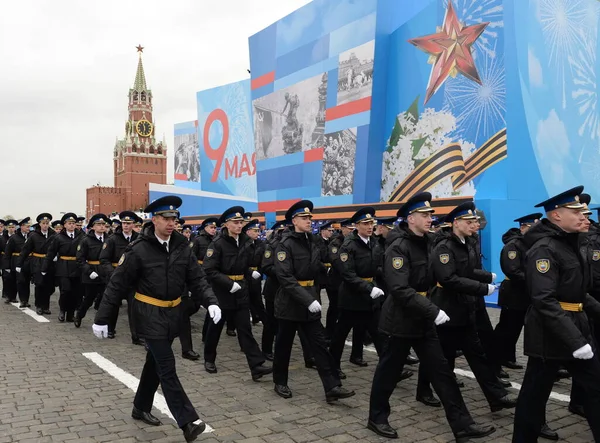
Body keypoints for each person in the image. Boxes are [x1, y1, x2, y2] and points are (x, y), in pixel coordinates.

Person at [368, 192, 496, 441]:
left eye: (430, 215)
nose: (430, 219)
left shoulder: (429, 242)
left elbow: (448, 272)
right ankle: (377, 417)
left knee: (442, 372)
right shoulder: (398, 247)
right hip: (401, 321)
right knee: (388, 373)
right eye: (425, 215)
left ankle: (462, 424)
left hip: (424, 319)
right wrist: (433, 310)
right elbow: (400, 289)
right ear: (410, 218)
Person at [93, 196, 220, 442]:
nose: (172, 223)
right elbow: (117, 284)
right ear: (154, 220)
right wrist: (102, 318)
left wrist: (211, 301)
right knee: (167, 366)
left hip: (173, 314)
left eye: (174, 218)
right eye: (166, 218)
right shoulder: (138, 249)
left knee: (154, 364)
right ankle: (188, 421)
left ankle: (140, 407)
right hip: (148, 315)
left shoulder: (182, 246)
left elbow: (197, 278)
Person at [512, 186, 600, 442]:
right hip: (549, 335)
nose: (584, 216)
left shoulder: (574, 243)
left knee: (595, 388)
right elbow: (544, 300)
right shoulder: (545, 249)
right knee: (533, 397)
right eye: (576, 212)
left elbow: (579, 293)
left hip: (575, 327)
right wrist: (575, 341)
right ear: (557, 215)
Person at [430, 201, 517, 411]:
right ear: (456, 223)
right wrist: (481, 288)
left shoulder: (467, 243)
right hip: (448, 309)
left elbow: (469, 270)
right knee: (443, 359)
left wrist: (488, 277)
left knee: (477, 356)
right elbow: (449, 278)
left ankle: (496, 397)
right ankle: (429, 392)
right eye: (469, 221)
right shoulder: (444, 247)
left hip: (465, 308)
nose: (474, 225)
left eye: (474, 221)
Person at [272, 200, 354, 403]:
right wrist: (308, 300)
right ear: (294, 221)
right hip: (291, 303)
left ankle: (332, 386)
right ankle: (280, 381)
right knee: (284, 346)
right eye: (304, 218)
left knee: (319, 346)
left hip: (311, 300)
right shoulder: (285, 245)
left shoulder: (313, 240)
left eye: (310, 217)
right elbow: (285, 278)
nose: (309, 221)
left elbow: (320, 264)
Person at [202, 206, 272, 379]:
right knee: (215, 328)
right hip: (222, 292)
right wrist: (228, 283)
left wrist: (250, 273)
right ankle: (209, 359)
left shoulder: (245, 242)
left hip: (241, 291)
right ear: (226, 224)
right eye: (236, 222)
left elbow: (244, 265)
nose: (239, 225)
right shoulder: (217, 244)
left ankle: (256, 365)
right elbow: (209, 269)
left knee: (245, 329)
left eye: (241, 222)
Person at [330, 207, 384, 376]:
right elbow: (347, 274)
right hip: (352, 298)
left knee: (379, 334)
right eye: (366, 223)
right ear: (357, 225)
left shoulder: (374, 242)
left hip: (370, 298)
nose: (370, 226)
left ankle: (392, 369)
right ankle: (333, 366)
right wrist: (369, 287)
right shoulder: (349, 245)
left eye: (371, 223)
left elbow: (378, 267)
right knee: (340, 334)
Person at [494, 213, 542, 370]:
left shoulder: (532, 243)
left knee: (523, 329)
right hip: (514, 294)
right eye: (534, 226)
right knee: (509, 329)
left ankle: (507, 357)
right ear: (523, 227)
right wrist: (534, 279)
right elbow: (512, 270)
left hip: (527, 294)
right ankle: (498, 359)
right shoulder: (513, 246)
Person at [99, 211, 141, 345]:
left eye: (129, 223)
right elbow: (104, 259)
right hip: (116, 277)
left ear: (133, 224)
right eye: (124, 223)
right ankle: (111, 329)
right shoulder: (112, 239)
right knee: (114, 305)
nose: (126, 226)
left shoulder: (139, 239)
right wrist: (113, 274)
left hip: (133, 279)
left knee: (134, 308)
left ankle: (137, 336)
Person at [43, 213, 83, 322]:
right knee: (65, 290)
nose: (72, 225)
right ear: (64, 225)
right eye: (69, 223)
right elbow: (51, 253)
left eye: (73, 223)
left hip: (77, 267)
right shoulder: (58, 237)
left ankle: (70, 314)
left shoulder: (81, 236)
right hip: (63, 267)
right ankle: (62, 310)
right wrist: (44, 268)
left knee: (75, 292)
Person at [17, 213, 56, 315]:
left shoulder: (54, 235)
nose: (45, 225)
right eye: (43, 223)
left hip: (49, 263)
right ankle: (39, 305)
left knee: (48, 285)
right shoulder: (34, 236)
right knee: (39, 284)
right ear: (39, 224)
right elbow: (25, 250)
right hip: (37, 262)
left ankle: (46, 306)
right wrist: (19, 264)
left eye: (47, 223)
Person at [192, 217, 218, 343]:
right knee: (196, 303)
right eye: (211, 228)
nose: (213, 230)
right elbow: (192, 257)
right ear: (205, 228)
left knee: (210, 302)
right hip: (201, 273)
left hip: (212, 275)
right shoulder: (198, 240)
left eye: (214, 228)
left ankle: (206, 335)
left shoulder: (217, 240)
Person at [6, 217, 32, 308]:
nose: (29, 228)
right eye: (27, 226)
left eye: (29, 226)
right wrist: (7, 266)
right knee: (20, 281)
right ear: (21, 226)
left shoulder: (31, 236)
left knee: (27, 282)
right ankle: (22, 300)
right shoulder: (14, 238)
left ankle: (26, 300)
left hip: (28, 262)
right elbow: (8, 252)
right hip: (17, 262)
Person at [1, 220, 18, 303]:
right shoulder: (2, 238)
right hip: (5, 259)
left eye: (13, 227)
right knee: (6, 279)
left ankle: (14, 296)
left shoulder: (17, 237)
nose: (11, 229)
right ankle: (7, 296)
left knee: (14, 279)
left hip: (14, 259)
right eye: (10, 227)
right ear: (7, 228)